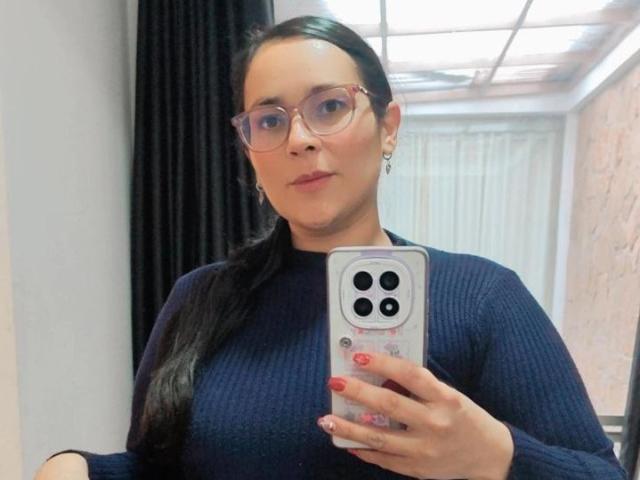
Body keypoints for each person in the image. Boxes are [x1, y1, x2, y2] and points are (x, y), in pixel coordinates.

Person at [37, 15, 626, 480]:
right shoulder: (198, 299)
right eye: (270, 121)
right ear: (250, 151)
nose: (299, 139)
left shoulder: (481, 297)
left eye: (330, 107)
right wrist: (81, 468)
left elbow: (601, 473)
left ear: (388, 126)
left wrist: (496, 457)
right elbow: (156, 468)